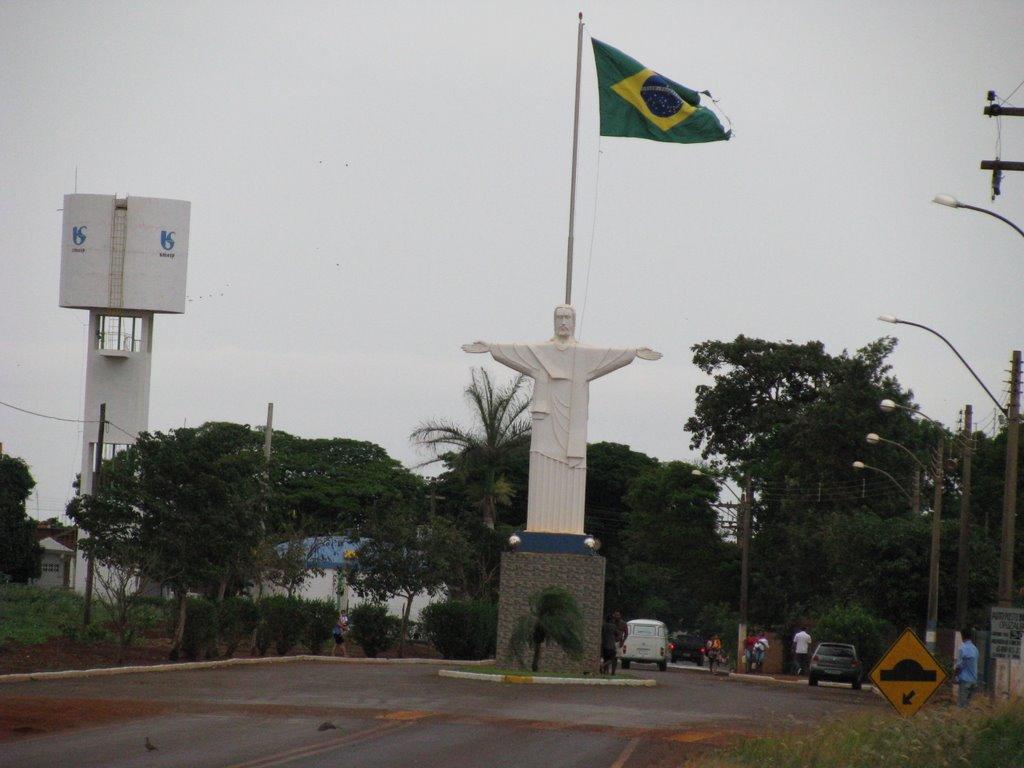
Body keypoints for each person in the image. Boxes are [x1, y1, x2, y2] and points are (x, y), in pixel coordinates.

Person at [955, 629, 979, 708]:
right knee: (967, 705)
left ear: (962, 636)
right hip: (973, 680)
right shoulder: (975, 649)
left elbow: (959, 666)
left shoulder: (962, 648)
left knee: (961, 705)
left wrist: (955, 676)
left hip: (965, 680)